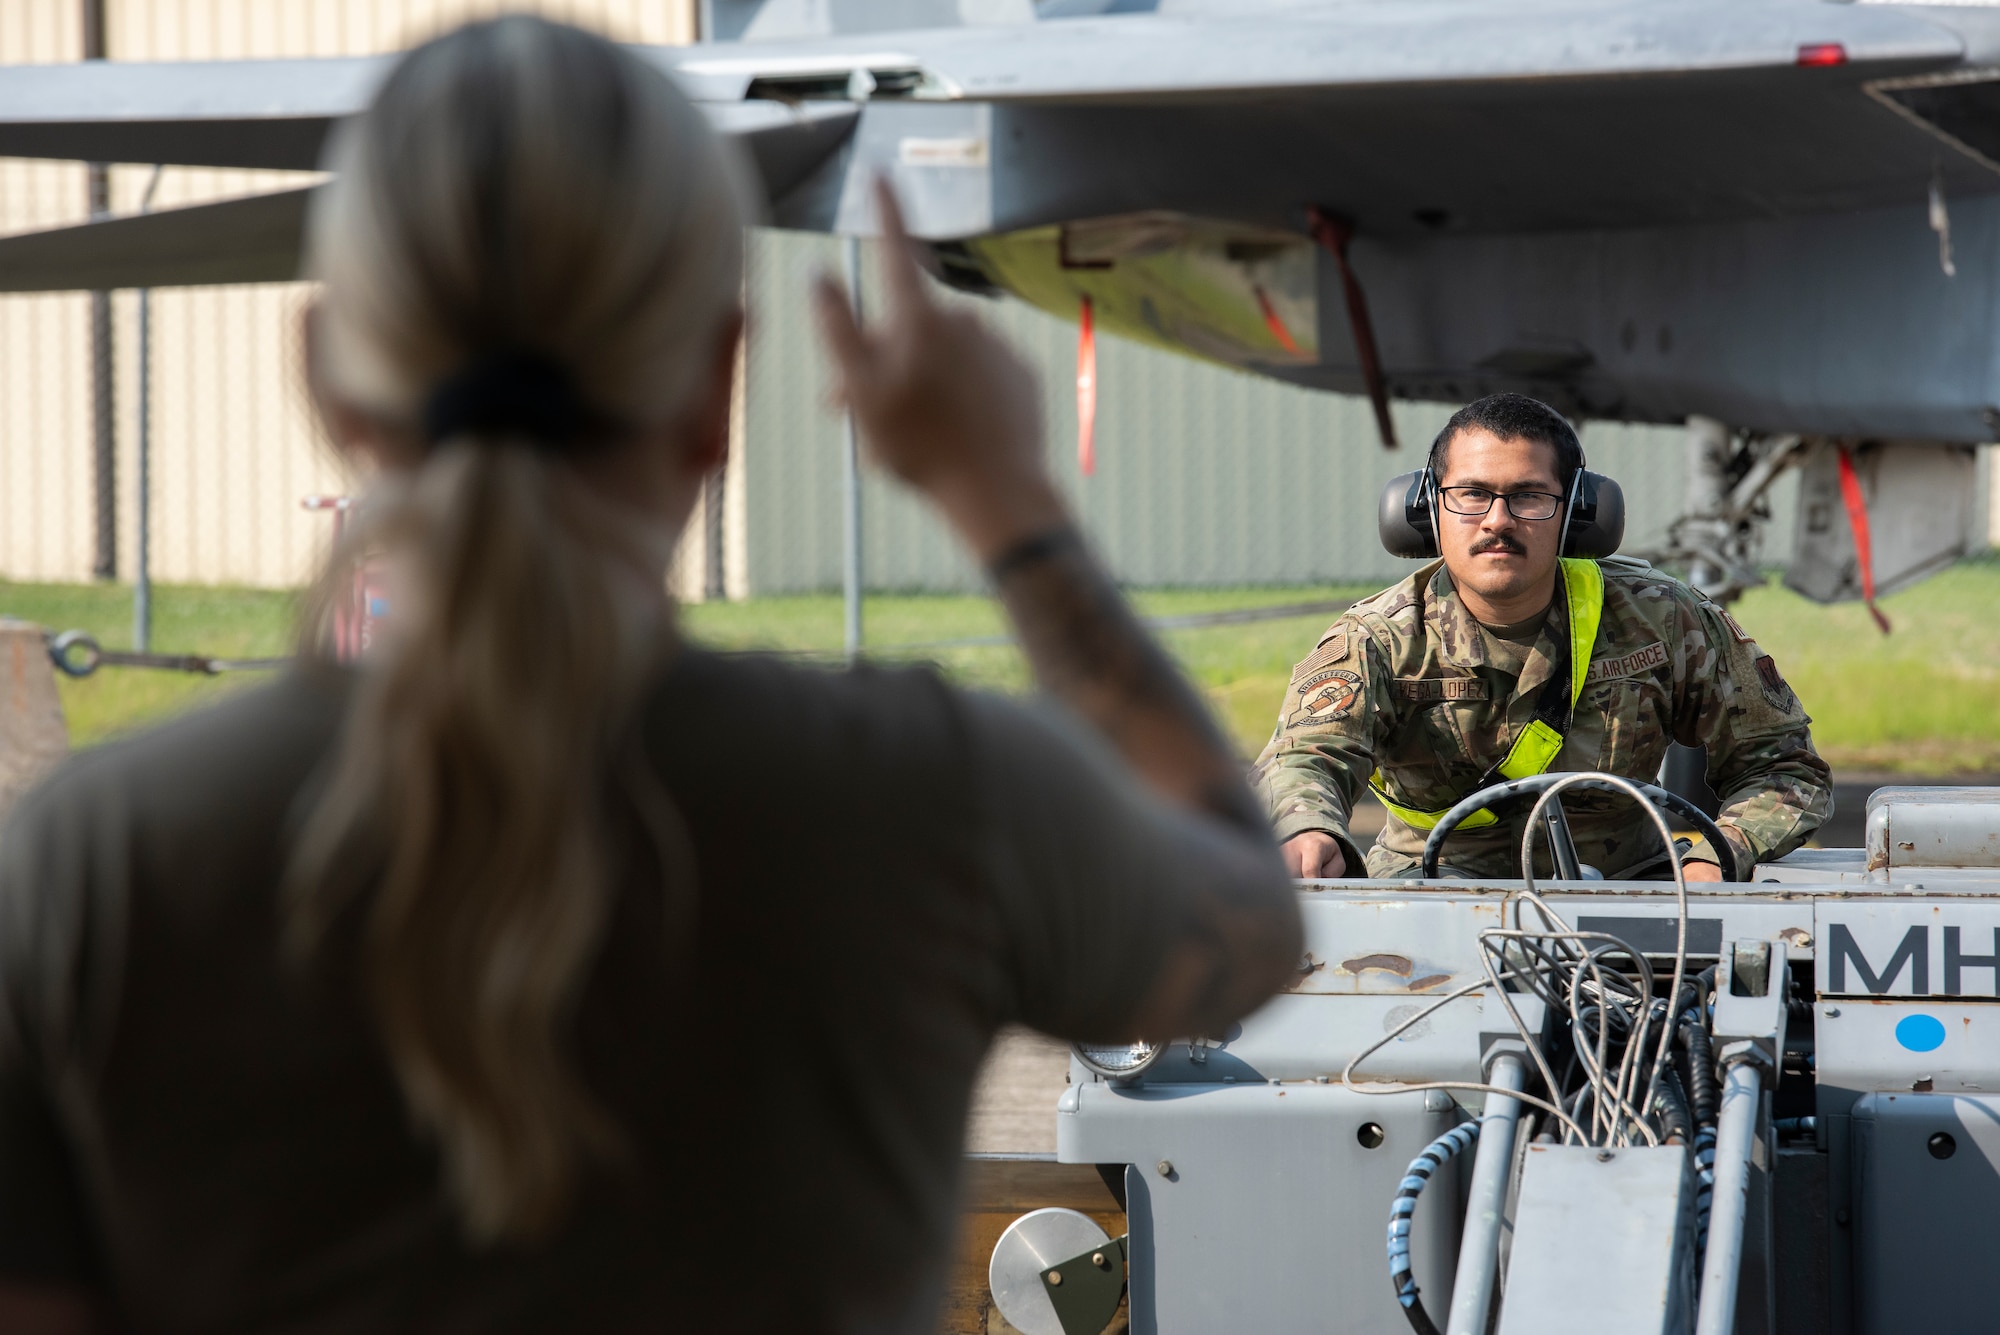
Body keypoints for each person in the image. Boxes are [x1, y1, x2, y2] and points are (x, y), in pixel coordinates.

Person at [0, 18, 1300, 1333]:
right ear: (716, 384)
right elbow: (1250, 926)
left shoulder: (88, 866)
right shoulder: (928, 794)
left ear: (331, 375)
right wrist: (1005, 499)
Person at [1253, 392, 1831, 881]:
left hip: (1631, 901)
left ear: (1576, 510)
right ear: (1428, 509)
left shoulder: (1663, 619)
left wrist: (1722, 852)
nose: (1498, 519)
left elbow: (1783, 763)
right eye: (1472, 494)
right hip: (1427, 896)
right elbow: (1304, 759)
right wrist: (1309, 829)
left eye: (1528, 495)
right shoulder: (1379, 641)